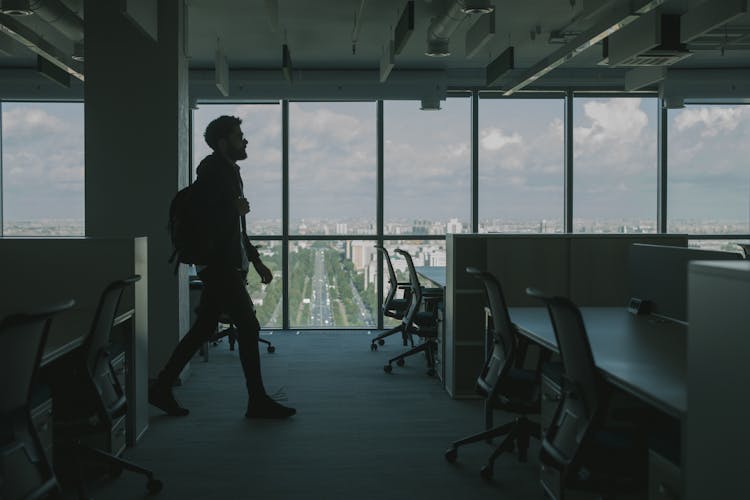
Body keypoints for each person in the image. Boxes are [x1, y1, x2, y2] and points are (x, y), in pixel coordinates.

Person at [149, 115, 296, 419]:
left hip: (225, 264)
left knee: (204, 327)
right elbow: (208, 222)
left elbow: (236, 229)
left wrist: (254, 261)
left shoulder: (229, 172)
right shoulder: (211, 171)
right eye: (238, 135)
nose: (244, 140)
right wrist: (234, 208)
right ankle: (257, 400)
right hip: (218, 265)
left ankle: (161, 386)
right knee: (248, 325)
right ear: (222, 142)